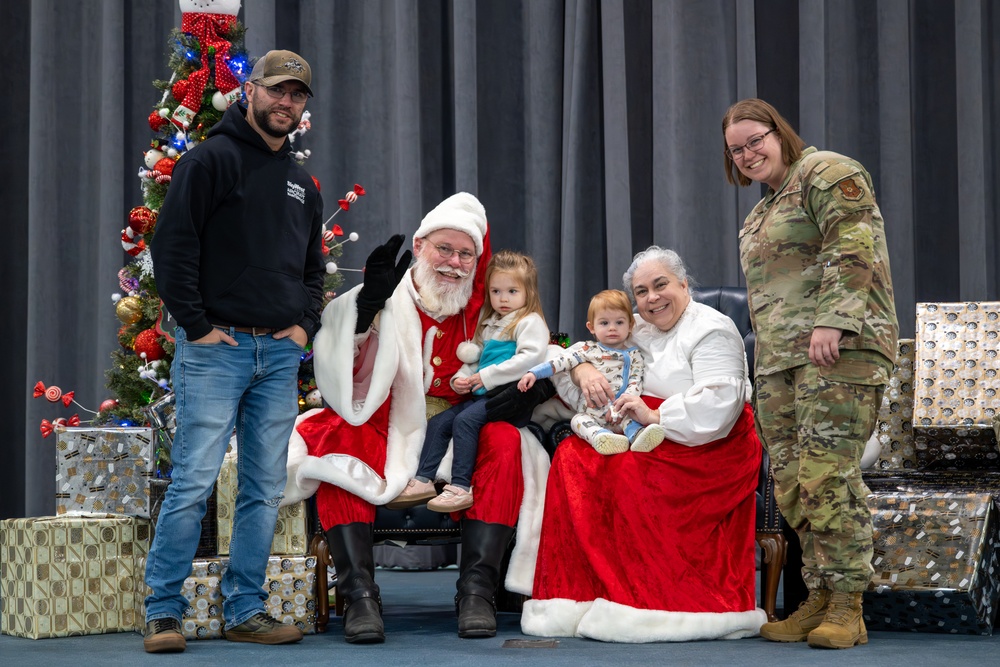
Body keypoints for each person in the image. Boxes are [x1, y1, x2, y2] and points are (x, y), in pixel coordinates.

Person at [281, 193, 551, 643]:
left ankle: (476, 593)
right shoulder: (386, 294)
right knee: (337, 440)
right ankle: (360, 596)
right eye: (444, 249)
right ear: (421, 246)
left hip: (461, 421)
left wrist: (542, 381)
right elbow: (339, 366)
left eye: (466, 254)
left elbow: (536, 341)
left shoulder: (487, 307)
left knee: (505, 440)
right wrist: (367, 305)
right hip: (386, 422)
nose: (454, 262)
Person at [143, 50, 322, 653]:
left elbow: (312, 269)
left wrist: (305, 325)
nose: (285, 103)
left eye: (296, 95)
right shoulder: (209, 160)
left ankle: (245, 609)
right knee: (193, 481)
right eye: (276, 91)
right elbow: (171, 246)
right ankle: (162, 612)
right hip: (215, 350)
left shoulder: (301, 182)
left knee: (264, 487)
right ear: (251, 90)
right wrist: (194, 326)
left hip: (276, 357)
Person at [519, 246, 765, 642]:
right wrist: (581, 368)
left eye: (661, 285)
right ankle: (578, 598)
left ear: (684, 284)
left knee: (631, 471)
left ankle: (646, 603)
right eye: (642, 291)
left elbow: (722, 405)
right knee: (571, 456)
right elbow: (566, 345)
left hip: (709, 440)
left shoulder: (713, 328)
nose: (652, 298)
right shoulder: (635, 325)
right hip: (636, 424)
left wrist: (656, 416)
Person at [722, 98, 897, 649]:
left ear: (780, 132)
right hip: (780, 362)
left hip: (837, 349)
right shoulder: (759, 212)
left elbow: (854, 247)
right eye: (736, 149)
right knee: (795, 483)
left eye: (756, 139)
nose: (748, 153)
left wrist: (834, 323)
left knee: (828, 475)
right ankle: (817, 596)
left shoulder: (826, 172)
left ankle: (849, 604)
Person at [389, 250, 549, 513]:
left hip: (509, 398)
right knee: (440, 422)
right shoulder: (491, 324)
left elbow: (529, 359)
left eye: (512, 291)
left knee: (465, 421)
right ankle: (423, 480)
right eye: (496, 292)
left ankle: (461, 486)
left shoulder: (529, 322)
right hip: (484, 394)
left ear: (528, 293)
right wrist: (460, 379)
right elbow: (475, 360)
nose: (503, 299)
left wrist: (484, 376)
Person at [519, 289, 665, 455]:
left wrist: (619, 408)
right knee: (577, 421)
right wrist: (534, 373)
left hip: (620, 411)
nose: (612, 328)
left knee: (630, 419)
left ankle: (637, 435)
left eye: (619, 322)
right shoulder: (586, 349)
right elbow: (560, 362)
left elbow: (635, 383)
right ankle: (602, 437)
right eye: (604, 323)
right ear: (592, 327)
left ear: (630, 325)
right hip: (591, 414)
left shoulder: (633, 355)